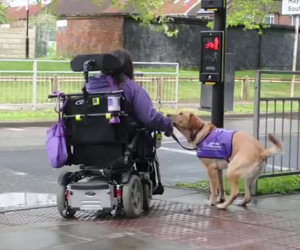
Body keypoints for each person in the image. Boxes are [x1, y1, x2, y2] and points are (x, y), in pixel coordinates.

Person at [86, 49, 173, 136]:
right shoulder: (131, 88)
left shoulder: (89, 86)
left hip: (87, 143)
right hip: (124, 143)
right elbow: (150, 118)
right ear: (128, 67)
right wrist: (168, 124)